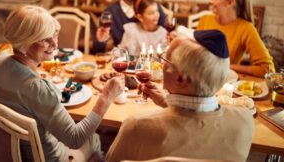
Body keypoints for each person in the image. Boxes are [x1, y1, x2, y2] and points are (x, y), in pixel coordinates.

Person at [0, 5, 125, 161]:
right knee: (93, 138)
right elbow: (75, 139)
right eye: (45, 39)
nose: (55, 44)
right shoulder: (37, 88)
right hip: (46, 158)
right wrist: (106, 96)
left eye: (54, 36)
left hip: (6, 154)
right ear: (25, 42)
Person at [106, 30, 254, 162]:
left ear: (180, 79)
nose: (161, 64)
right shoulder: (245, 121)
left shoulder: (136, 128)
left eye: (165, 59)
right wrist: (167, 103)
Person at [197, 0, 274, 77]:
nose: (211, 1)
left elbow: (267, 69)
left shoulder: (246, 28)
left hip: (224, 82)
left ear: (230, 2)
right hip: (199, 76)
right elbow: (195, 52)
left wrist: (227, 66)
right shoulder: (205, 20)